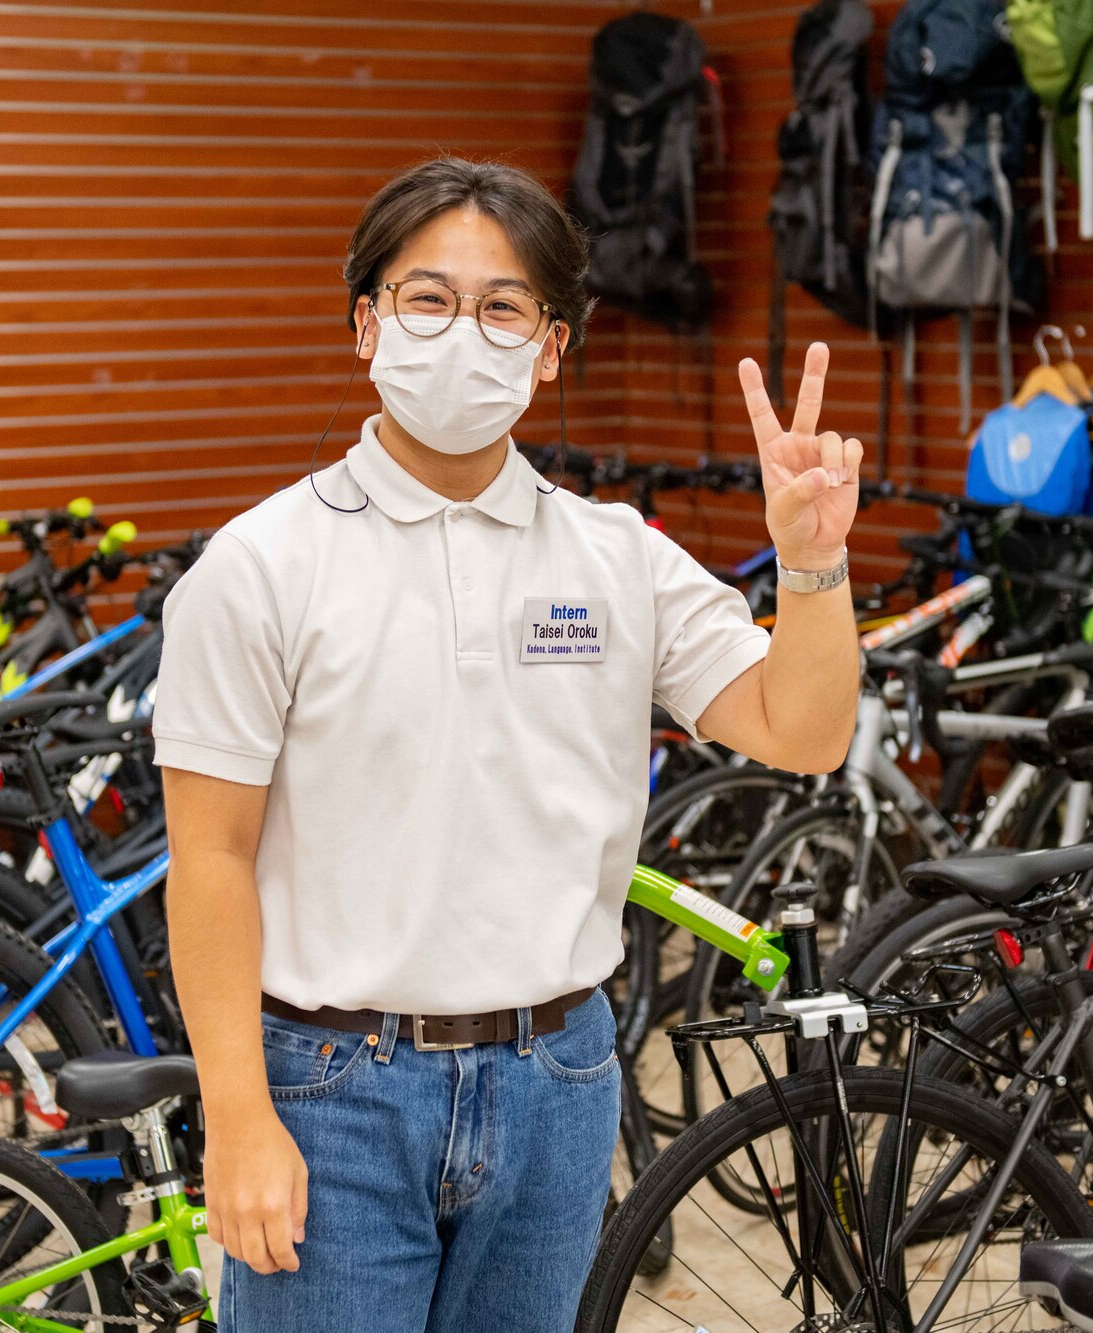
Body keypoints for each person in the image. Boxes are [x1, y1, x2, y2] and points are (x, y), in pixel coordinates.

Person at [155, 155, 862, 1333]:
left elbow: (802, 728)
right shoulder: (262, 565)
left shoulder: (613, 556)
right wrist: (236, 1116)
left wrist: (811, 560)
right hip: (333, 1092)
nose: (460, 333)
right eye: (426, 299)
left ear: (547, 348)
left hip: (559, 1080)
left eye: (501, 307)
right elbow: (211, 858)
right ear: (365, 326)